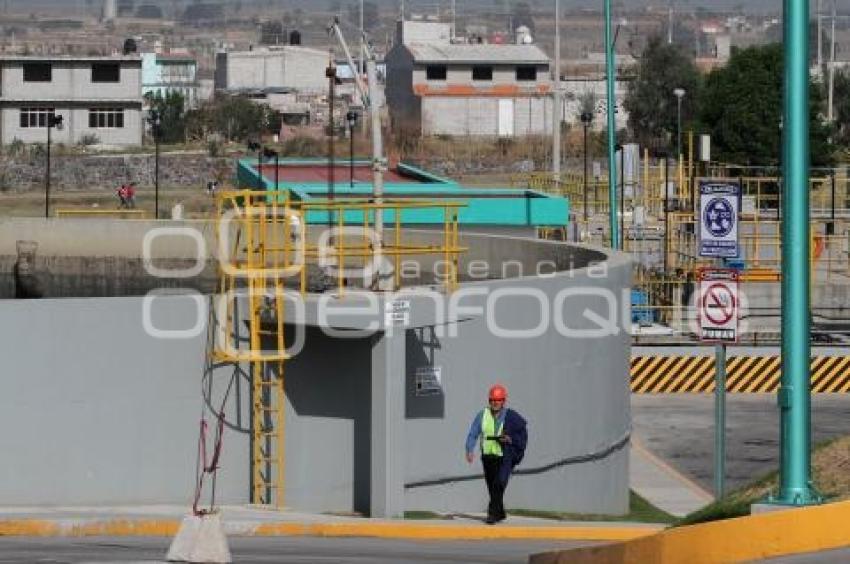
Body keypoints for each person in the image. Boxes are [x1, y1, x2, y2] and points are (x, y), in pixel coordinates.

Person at [465, 384, 528, 524]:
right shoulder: (482, 415)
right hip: (487, 457)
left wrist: (511, 439)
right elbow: (473, 433)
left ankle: (492, 515)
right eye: (492, 399)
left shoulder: (511, 416)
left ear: (503, 401)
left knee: (499, 484)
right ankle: (500, 512)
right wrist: (469, 449)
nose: (495, 402)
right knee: (492, 487)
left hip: (504, 456)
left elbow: (522, 432)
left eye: (498, 400)